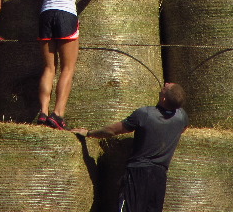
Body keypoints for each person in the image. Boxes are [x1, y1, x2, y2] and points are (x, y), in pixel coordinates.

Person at [32, 0, 105, 130]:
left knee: (49, 67)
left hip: (46, 14)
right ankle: (58, 114)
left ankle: (43, 112)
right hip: (66, 15)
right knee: (67, 68)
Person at [73, 83, 188, 212]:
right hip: (159, 176)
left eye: (166, 88)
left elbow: (112, 131)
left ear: (164, 98)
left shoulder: (145, 114)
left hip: (138, 173)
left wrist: (89, 133)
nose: (165, 84)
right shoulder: (182, 116)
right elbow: (182, 129)